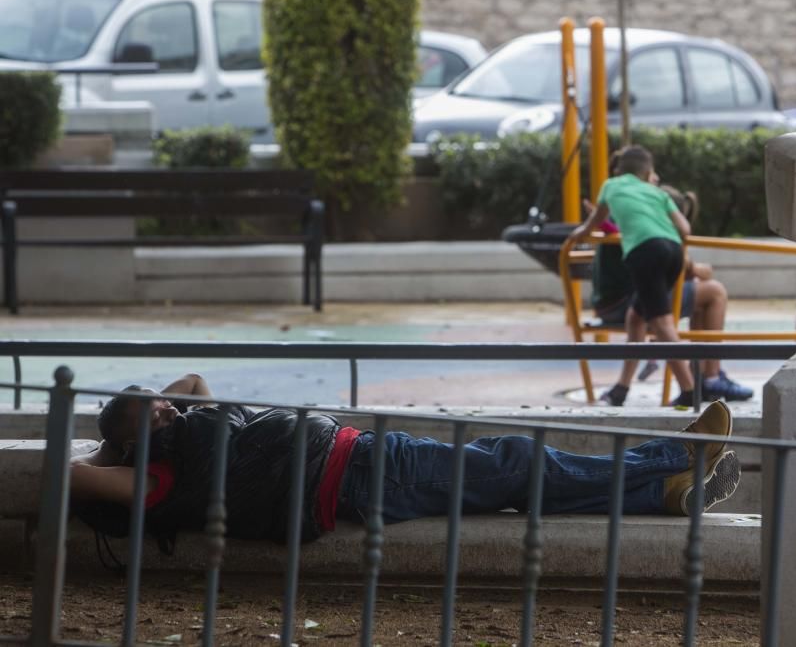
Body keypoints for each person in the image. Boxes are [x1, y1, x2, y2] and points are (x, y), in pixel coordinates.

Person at [70, 374, 741, 544]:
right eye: (151, 413)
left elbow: (188, 383)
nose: (168, 406)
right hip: (359, 476)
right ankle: (673, 452)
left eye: (160, 404)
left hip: (358, 462)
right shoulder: (154, 479)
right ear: (134, 446)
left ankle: (666, 492)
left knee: (512, 478)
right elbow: (72, 474)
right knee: (515, 464)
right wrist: (112, 445)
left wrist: (147, 414)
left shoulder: (187, 435)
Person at [585, 193, 753, 407]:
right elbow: (678, 265)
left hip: (617, 300)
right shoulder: (652, 229)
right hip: (630, 299)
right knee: (711, 293)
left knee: (650, 315)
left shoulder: (626, 218)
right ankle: (704, 380)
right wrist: (693, 267)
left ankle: (689, 381)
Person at [568, 146, 696, 408]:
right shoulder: (657, 192)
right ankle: (621, 389)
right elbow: (685, 228)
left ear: (617, 170)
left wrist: (577, 235)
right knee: (636, 316)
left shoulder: (611, 185)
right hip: (674, 252)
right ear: (648, 173)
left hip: (645, 252)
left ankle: (690, 389)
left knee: (662, 325)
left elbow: (595, 221)